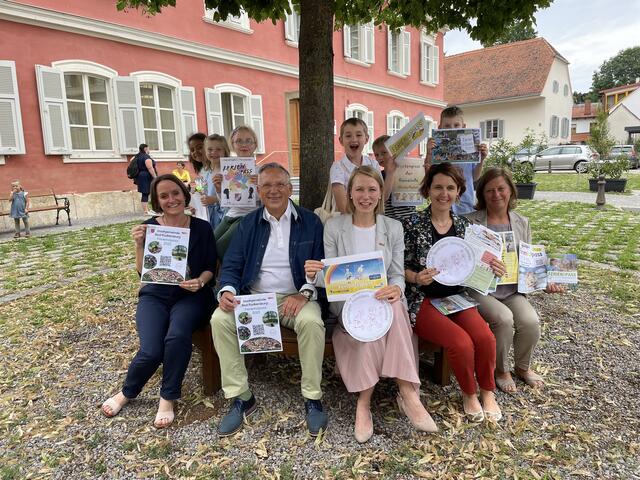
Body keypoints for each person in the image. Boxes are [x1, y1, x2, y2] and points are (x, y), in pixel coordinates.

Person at [305, 166, 437, 443]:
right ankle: (403, 393)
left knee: (394, 307)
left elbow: (398, 274)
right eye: (360, 189)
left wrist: (397, 288)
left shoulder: (392, 227)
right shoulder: (334, 226)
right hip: (348, 305)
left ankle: (371, 402)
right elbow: (328, 277)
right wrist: (313, 274)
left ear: (381, 194)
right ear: (350, 194)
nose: (366, 195)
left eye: (372, 189)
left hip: (383, 300)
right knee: (376, 322)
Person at [210, 163, 328, 437]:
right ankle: (241, 397)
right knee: (219, 319)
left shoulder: (310, 222)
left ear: (289, 188)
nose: (273, 190)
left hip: (294, 297)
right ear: (258, 191)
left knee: (312, 322)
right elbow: (232, 264)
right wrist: (227, 290)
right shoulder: (248, 223)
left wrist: (305, 293)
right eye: (266, 186)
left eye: (279, 185)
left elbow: (321, 264)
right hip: (255, 299)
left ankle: (312, 397)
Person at [101, 174, 217, 428]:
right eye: (163, 196)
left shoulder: (202, 227)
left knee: (177, 336)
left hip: (191, 296)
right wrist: (139, 244)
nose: (171, 199)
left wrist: (200, 281)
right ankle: (127, 392)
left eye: (175, 193)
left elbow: (210, 267)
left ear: (184, 195)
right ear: (156, 201)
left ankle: (167, 397)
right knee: (151, 350)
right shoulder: (149, 227)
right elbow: (142, 271)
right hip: (155, 294)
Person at [403, 163, 504, 422]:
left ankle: (487, 391)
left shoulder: (466, 227)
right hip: (422, 298)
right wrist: (415, 276)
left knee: (485, 338)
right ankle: (469, 394)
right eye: (438, 187)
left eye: (450, 187)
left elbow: (477, 267)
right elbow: (394, 265)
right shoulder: (411, 224)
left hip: (456, 297)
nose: (443, 193)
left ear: (459, 192)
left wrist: (494, 266)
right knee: (460, 342)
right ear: (428, 190)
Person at [465, 167, 565, 392]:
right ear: (482, 194)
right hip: (482, 289)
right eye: (489, 190)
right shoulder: (470, 222)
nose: (496, 194)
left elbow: (530, 261)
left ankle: (522, 367)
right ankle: (501, 370)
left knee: (530, 322)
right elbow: (464, 262)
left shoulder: (522, 222)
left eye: (501, 188)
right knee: (504, 319)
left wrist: (543, 280)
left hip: (511, 290)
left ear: (511, 191)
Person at [426, 106, 488, 215]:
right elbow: (428, 176)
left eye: (456, 125)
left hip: (465, 204)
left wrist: (481, 159)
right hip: (442, 203)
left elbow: (474, 177)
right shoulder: (435, 149)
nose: (452, 129)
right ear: (440, 128)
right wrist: (429, 153)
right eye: (447, 126)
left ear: (463, 127)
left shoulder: (470, 148)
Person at [214, 126, 260, 258]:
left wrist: (261, 185)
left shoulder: (261, 171)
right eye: (239, 141)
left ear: (255, 145)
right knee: (209, 244)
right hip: (231, 214)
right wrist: (219, 188)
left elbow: (265, 201)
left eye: (248, 141)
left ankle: (230, 274)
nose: (244, 144)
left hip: (250, 215)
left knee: (221, 247)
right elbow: (226, 202)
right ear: (232, 145)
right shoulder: (227, 169)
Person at [331, 118, 382, 214]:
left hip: (371, 220)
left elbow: (381, 196)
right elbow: (343, 205)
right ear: (341, 140)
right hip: (347, 222)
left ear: (366, 139)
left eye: (358, 135)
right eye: (348, 136)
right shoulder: (337, 167)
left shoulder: (373, 165)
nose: (354, 139)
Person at [372, 135, 417, 222]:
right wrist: (389, 174)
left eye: (384, 153)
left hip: (409, 220)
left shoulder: (409, 172)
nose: (379, 157)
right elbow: (383, 198)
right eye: (376, 155)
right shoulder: (378, 176)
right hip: (389, 221)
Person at [200, 134, 229, 230]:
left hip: (223, 214)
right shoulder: (205, 171)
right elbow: (203, 190)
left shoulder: (229, 171)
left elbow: (235, 195)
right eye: (210, 149)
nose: (214, 152)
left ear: (225, 151)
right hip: (208, 214)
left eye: (218, 149)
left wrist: (215, 199)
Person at [134, 144, 157, 215]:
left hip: (140, 176)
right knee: (145, 193)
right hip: (146, 176)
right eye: (148, 148)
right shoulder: (146, 157)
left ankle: (148, 209)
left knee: (147, 192)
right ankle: (146, 211)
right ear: (145, 149)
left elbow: (132, 161)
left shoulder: (137, 156)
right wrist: (155, 177)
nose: (149, 150)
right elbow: (150, 168)